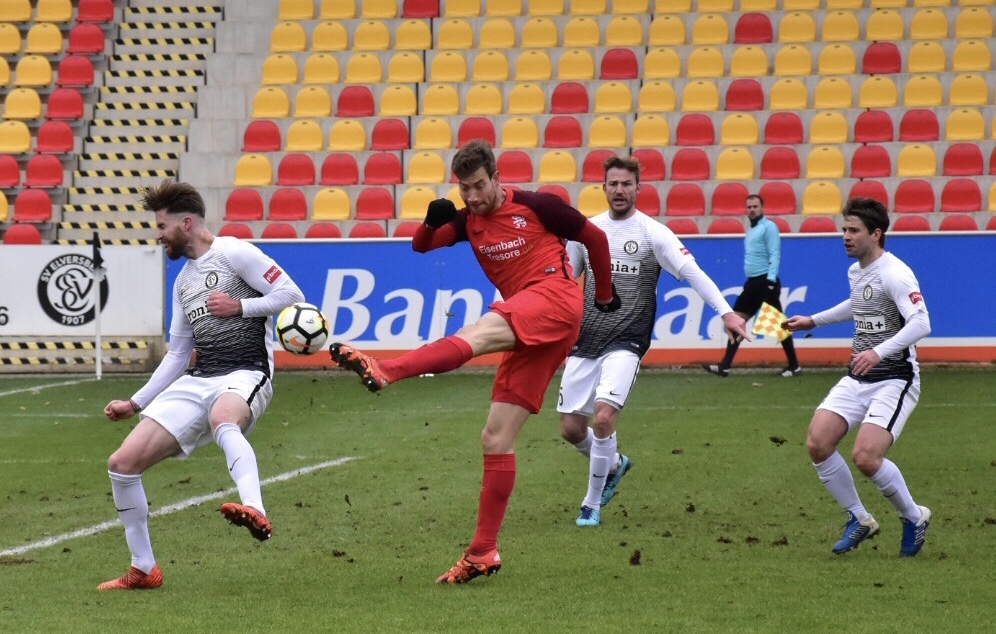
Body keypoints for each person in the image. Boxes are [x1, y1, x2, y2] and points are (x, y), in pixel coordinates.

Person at [329, 139, 619, 584]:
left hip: (554, 299)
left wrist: (604, 295)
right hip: (533, 323)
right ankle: (483, 551)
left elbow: (594, 238)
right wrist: (430, 223)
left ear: (496, 178)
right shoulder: (469, 220)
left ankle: (387, 369)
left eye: (479, 185)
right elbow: (422, 246)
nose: (472, 196)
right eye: (464, 188)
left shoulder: (539, 206)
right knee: (495, 438)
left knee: (478, 332)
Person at [98, 179, 304, 590]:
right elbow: (178, 354)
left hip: (246, 371)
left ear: (186, 223)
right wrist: (135, 403)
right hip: (201, 377)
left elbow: (291, 293)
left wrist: (240, 306)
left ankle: (255, 508)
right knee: (122, 464)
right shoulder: (183, 282)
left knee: (223, 418)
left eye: (162, 226)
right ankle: (143, 569)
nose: (158, 235)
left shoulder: (235, 252)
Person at [558, 156, 750, 527]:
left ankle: (590, 505)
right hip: (587, 339)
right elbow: (563, 284)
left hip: (628, 341)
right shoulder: (587, 233)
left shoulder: (652, 233)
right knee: (570, 429)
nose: (619, 190)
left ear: (638, 189)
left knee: (603, 418)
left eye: (626, 184)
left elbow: (694, 273)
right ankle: (615, 463)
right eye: (613, 184)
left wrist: (726, 312)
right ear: (604, 187)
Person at [782, 197, 931, 557]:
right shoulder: (857, 271)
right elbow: (859, 304)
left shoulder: (895, 273)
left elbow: (921, 323)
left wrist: (879, 351)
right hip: (858, 376)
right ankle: (860, 518)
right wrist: (813, 320)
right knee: (818, 443)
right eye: (844, 229)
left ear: (876, 234)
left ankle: (914, 516)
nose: (845, 236)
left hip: (894, 378)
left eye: (853, 230)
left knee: (866, 457)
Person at [703, 194, 802, 378]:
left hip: (765, 282)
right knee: (737, 322)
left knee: (778, 324)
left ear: (762, 208)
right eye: (749, 207)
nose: (752, 210)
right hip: (753, 283)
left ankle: (794, 366)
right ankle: (724, 367)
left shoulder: (768, 227)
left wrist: (771, 281)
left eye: (755, 206)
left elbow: (775, 253)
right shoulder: (751, 229)